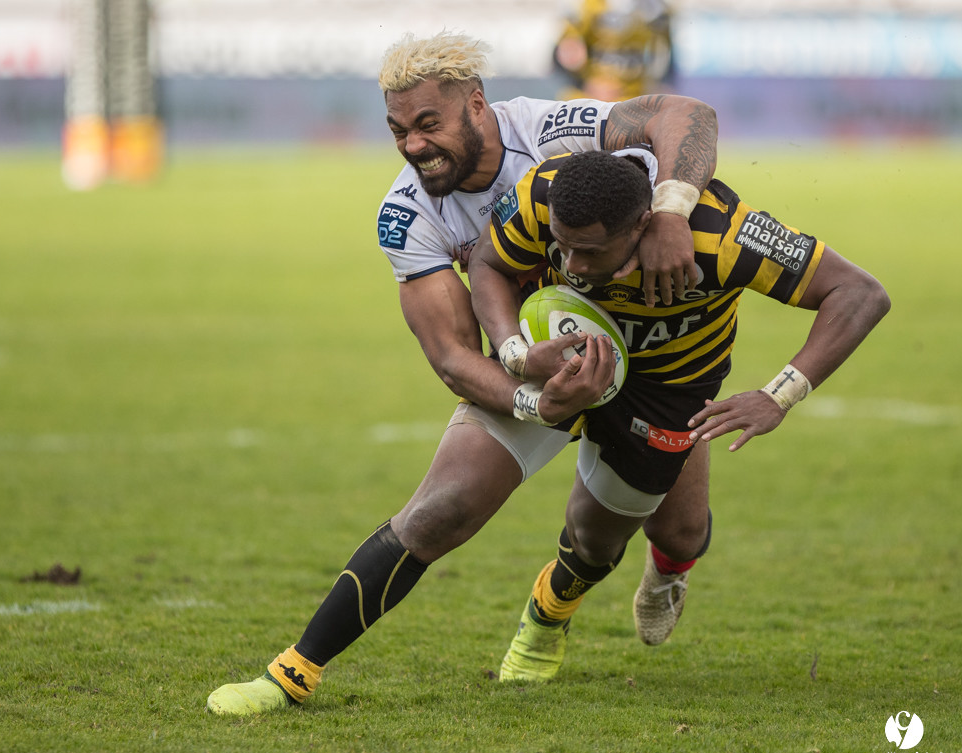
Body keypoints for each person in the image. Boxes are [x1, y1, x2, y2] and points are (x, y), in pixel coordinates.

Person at [206, 31, 719, 716]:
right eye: (397, 131)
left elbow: (690, 116)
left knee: (666, 534)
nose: (413, 146)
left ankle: (560, 602)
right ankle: (292, 673)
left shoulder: (551, 129)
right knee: (440, 509)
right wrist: (536, 397)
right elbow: (452, 356)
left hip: (652, 361)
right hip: (528, 373)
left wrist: (671, 211)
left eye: (428, 124)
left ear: (477, 106)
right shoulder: (406, 215)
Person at [466, 149, 889, 682]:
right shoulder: (543, 192)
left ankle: (654, 573)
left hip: (672, 387)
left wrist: (778, 395)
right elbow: (488, 263)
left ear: (643, 225)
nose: (571, 266)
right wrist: (513, 353)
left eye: (589, 251)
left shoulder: (724, 238)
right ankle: (544, 627)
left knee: (670, 535)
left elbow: (861, 292)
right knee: (540, 521)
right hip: (563, 360)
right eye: (562, 247)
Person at [552, 0, 676, 102]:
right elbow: (564, 53)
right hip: (589, 99)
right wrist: (584, 84)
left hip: (634, 99)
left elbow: (666, 53)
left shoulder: (656, 9)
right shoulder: (585, 7)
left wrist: (658, 84)